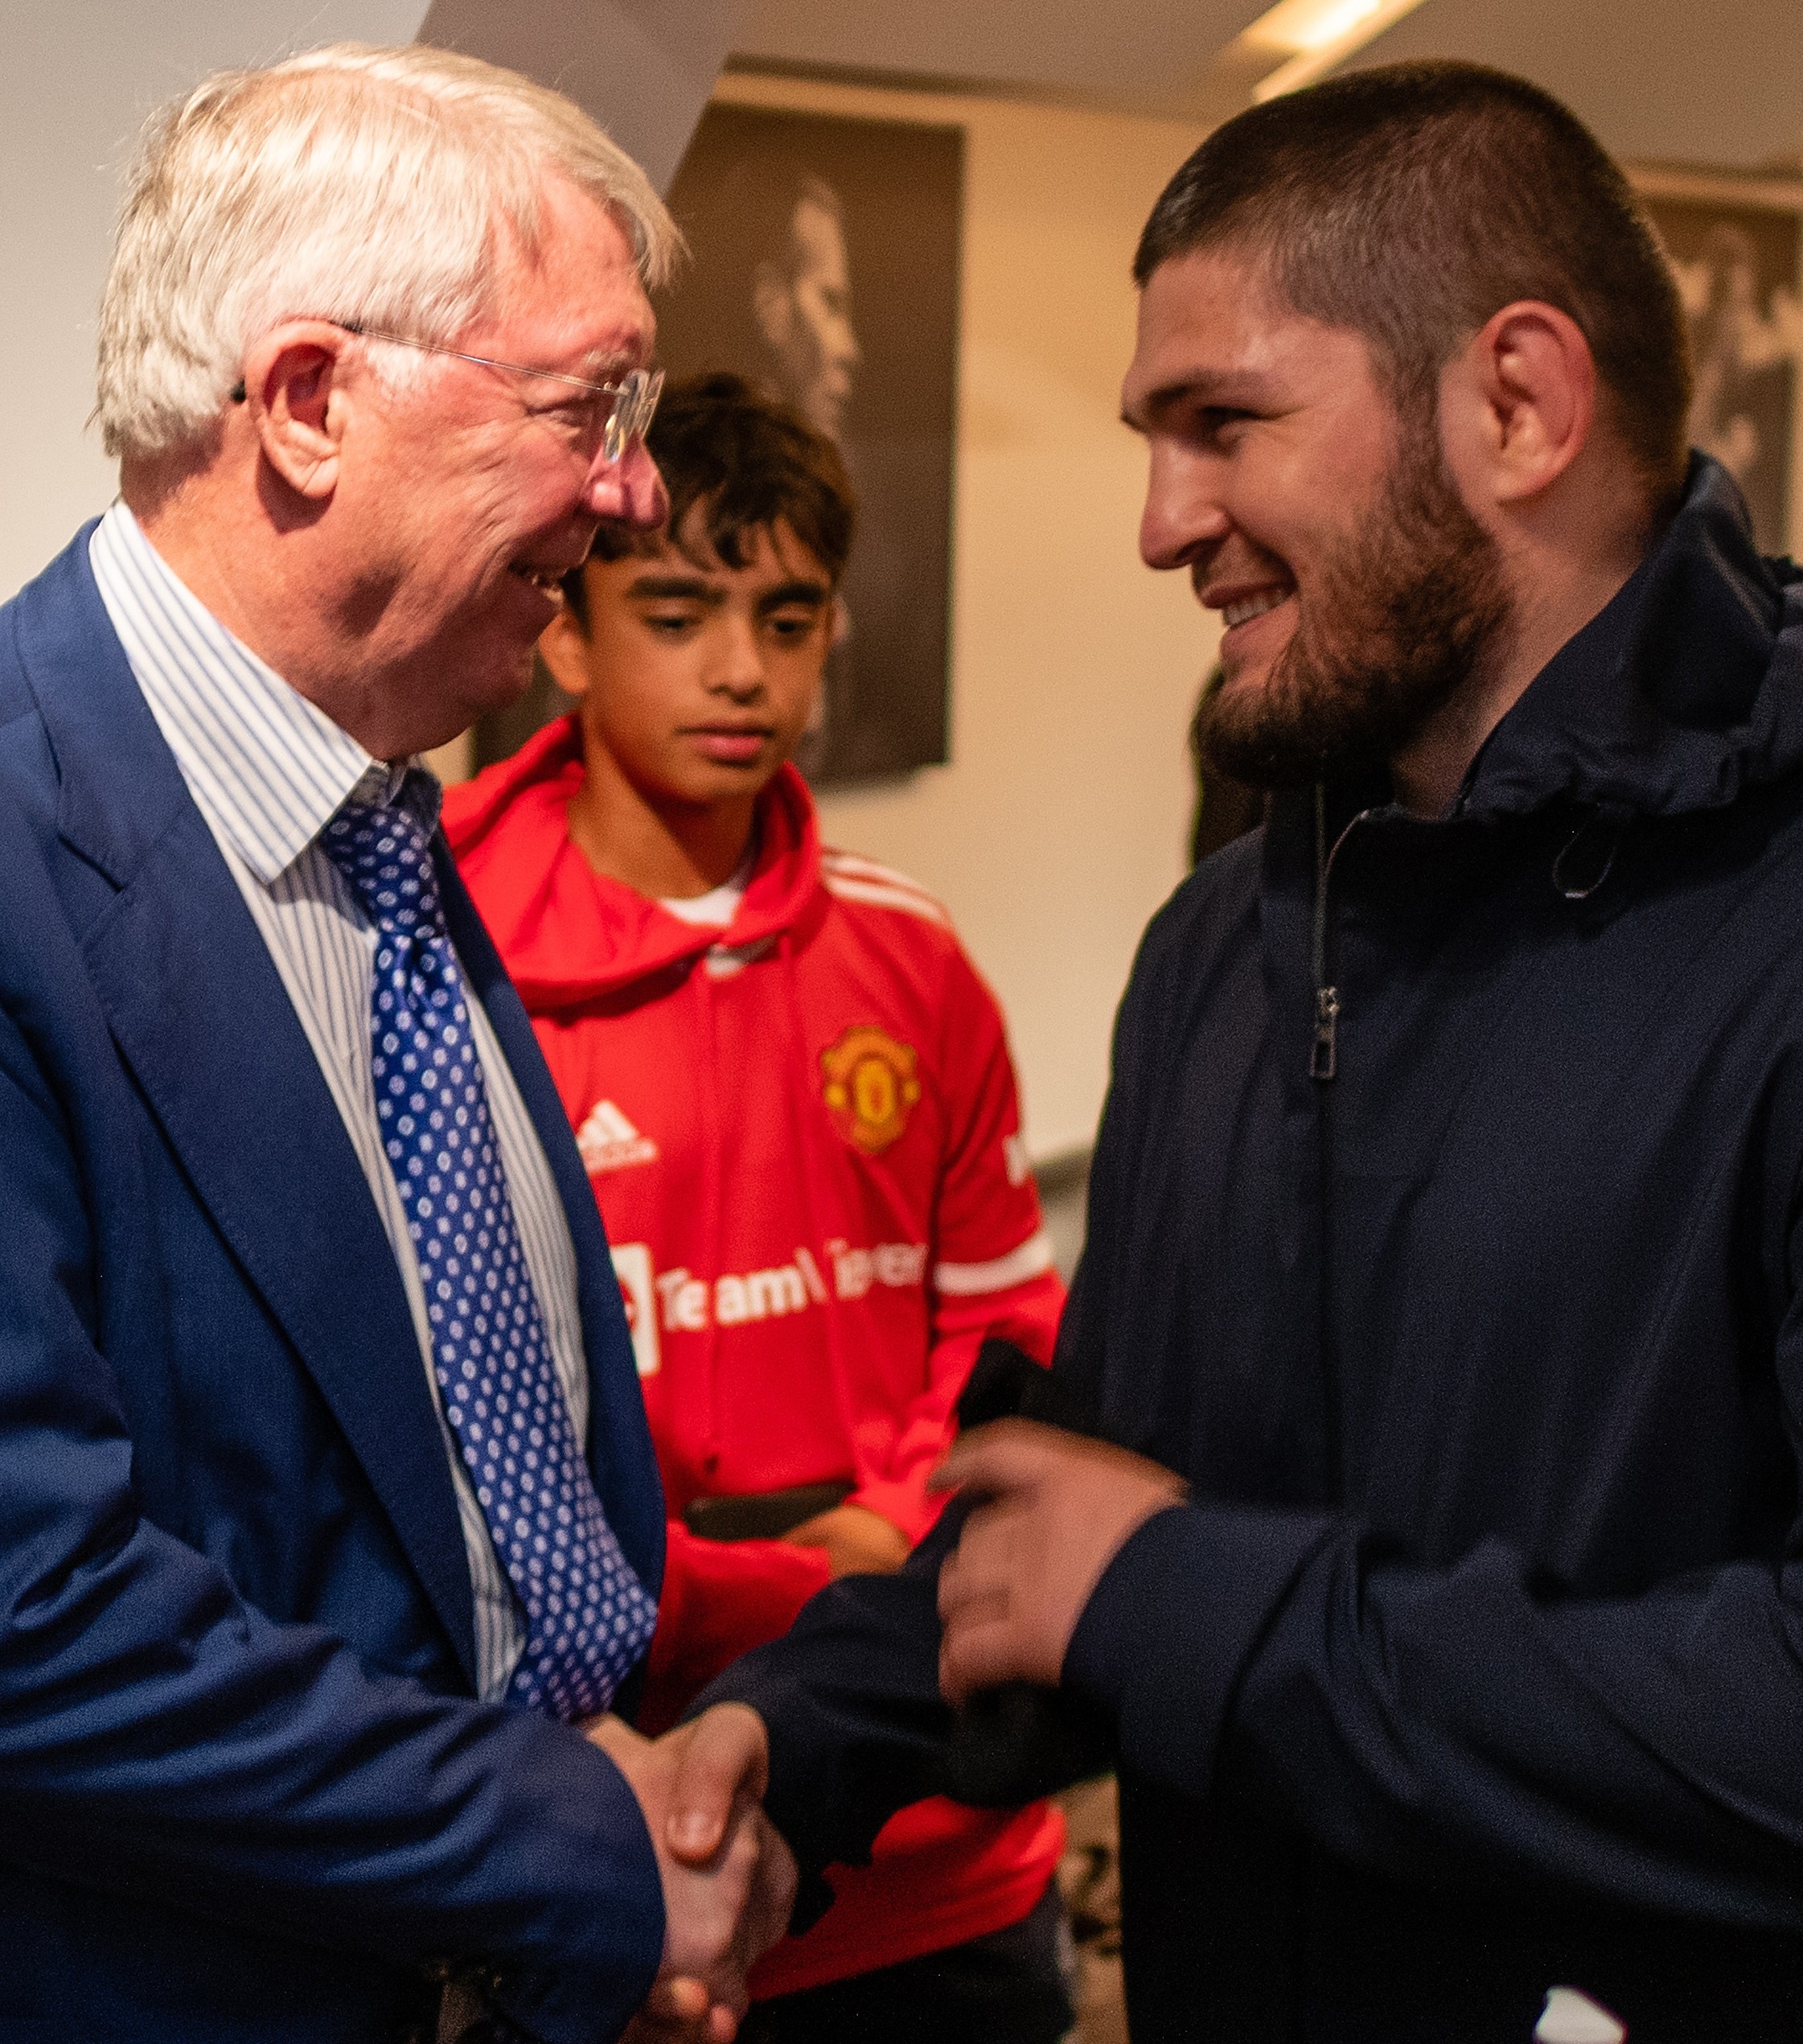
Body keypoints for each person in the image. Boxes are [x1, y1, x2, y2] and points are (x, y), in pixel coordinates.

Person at [676, 60, 1803, 2043]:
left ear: (1516, 405)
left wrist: (1191, 1604)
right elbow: (1087, 1525)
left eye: (1221, 426)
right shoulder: (1226, 939)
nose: (1154, 523)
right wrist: (774, 1746)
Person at [0, 44, 794, 2044]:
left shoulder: (373, 805)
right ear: (307, 401)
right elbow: (31, 1618)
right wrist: (590, 1851)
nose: (630, 487)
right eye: (587, 407)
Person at [444, 372, 1071, 2044]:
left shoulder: (909, 954)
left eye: (784, 621)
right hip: (587, 1837)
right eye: (676, 612)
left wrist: (878, 1536)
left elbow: (1003, 1337)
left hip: (925, 1856)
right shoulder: (443, 959)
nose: (742, 670)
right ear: (565, 635)